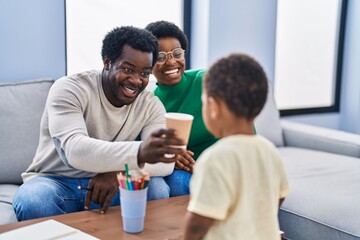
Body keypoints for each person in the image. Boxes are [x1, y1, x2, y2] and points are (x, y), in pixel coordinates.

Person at [13, 26, 186, 221]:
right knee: (34, 199)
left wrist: (119, 171)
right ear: (107, 63)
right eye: (128, 69)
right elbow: (75, 151)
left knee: (156, 188)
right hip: (56, 182)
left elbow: (165, 162)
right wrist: (139, 153)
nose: (136, 80)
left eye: (145, 74)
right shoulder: (70, 89)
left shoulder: (150, 105)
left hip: (110, 186)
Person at [182, 53, 290, 239]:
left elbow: (198, 223)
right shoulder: (269, 150)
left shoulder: (214, 158)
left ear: (213, 106)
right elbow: (280, 195)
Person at [145, 21, 218, 197]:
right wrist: (168, 156)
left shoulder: (207, 80)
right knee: (173, 182)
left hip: (220, 165)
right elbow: (144, 145)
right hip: (182, 170)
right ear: (149, 61)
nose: (171, 62)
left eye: (177, 53)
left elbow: (243, 124)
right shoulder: (149, 103)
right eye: (161, 57)